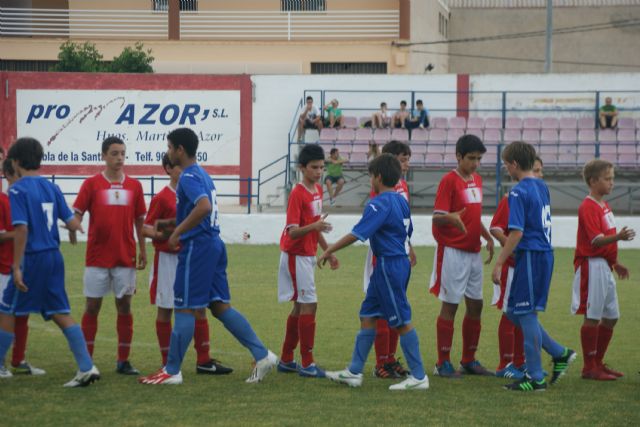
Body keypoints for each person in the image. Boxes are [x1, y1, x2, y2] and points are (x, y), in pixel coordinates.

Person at [139, 128, 277, 385]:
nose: (168, 152)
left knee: (184, 306)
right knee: (219, 306)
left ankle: (171, 370)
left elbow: (204, 206)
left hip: (197, 248)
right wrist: (173, 224)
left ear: (180, 150)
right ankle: (262, 354)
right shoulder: (203, 174)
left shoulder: (188, 176)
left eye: (170, 147)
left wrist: (178, 232)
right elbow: (200, 209)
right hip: (214, 244)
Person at [320, 154, 428, 391]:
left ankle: (419, 376)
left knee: (400, 320)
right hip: (392, 264)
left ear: (377, 177)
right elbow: (408, 230)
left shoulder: (378, 202)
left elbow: (357, 233)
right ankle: (354, 372)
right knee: (367, 314)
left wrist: (329, 249)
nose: (371, 180)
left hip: (389, 265)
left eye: (371, 176)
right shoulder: (400, 200)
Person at [0, 137, 99, 387]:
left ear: (17, 162)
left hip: (32, 258)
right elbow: (75, 222)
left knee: (7, 309)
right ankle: (87, 366)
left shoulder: (18, 189)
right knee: (59, 311)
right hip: (54, 257)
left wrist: (17, 266)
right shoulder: (51, 187)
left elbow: (21, 230)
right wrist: (74, 229)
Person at [492, 140, 576, 392]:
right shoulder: (541, 186)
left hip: (531, 256)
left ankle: (535, 377)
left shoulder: (518, 191)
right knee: (513, 313)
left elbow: (516, 233)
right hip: (542, 254)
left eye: (506, 164)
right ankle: (559, 352)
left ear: (515, 164)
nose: (506, 169)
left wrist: (499, 261)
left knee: (526, 314)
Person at [143, 154, 232, 375]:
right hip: (167, 260)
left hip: (192, 257)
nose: (180, 172)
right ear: (167, 169)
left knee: (198, 309)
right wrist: (164, 233)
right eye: (176, 168)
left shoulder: (192, 191)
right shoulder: (162, 197)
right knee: (166, 310)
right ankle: (168, 363)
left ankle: (204, 360)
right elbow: (146, 227)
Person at [72, 137, 146, 376]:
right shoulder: (91, 184)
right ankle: (87, 362)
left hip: (125, 258)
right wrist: (74, 226)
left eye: (123, 153)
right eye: (114, 153)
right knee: (92, 306)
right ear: (104, 155)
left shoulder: (135, 186)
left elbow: (140, 220)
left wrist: (143, 250)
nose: (120, 158)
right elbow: (77, 213)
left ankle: (123, 361)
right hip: (96, 258)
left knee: (124, 306)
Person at [430, 134, 495, 378]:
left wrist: (486, 235)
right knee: (450, 304)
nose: (476, 163)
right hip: (453, 251)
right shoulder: (448, 181)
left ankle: (469, 359)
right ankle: (442, 362)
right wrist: (450, 217)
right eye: (471, 158)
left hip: (473, 251)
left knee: (476, 304)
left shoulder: (476, 179)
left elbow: (473, 216)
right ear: (458, 156)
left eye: (479, 159)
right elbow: (436, 216)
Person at [277, 144, 337, 378]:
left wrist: (328, 251)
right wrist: (314, 226)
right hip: (295, 256)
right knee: (309, 304)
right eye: (314, 167)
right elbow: (292, 231)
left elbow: (314, 227)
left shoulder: (318, 190)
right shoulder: (297, 193)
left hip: (307, 255)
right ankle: (307, 363)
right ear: (302, 168)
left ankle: (286, 358)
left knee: (301, 305)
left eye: (322, 167)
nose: (319, 171)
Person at [572, 159, 635, 380]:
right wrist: (619, 237)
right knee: (593, 315)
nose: (612, 183)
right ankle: (589, 367)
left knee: (611, 316)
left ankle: (597, 362)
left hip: (605, 267)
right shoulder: (587, 206)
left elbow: (603, 242)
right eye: (607, 179)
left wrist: (615, 263)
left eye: (612, 178)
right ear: (593, 181)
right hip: (592, 266)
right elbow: (596, 241)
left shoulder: (604, 205)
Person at [364, 141, 416, 379]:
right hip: (382, 254)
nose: (406, 164)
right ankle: (381, 361)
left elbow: (403, 222)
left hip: (399, 252)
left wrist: (409, 245)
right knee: (383, 307)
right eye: (403, 159)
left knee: (396, 303)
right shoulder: (381, 189)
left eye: (407, 159)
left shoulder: (401, 186)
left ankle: (391, 358)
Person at [490, 156, 543, 379]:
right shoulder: (512, 197)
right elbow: (495, 227)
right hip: (512, 267)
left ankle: (521, 362)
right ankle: (505, 363)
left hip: (528, 266)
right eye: (536, 170)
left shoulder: (538, 196)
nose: (538, 175)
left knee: (524, 314)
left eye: (541, 171)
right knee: (509, 314)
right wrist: (509, 247)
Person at [0, 159, 45, 377]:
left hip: (24, 265)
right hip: (3, 268)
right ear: (10, 175)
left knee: (23, 314)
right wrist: (22, 231)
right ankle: (1, 363)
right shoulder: (2, 201)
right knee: (5, 314)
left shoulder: (23, 200)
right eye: (20, 175)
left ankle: (19, 359)